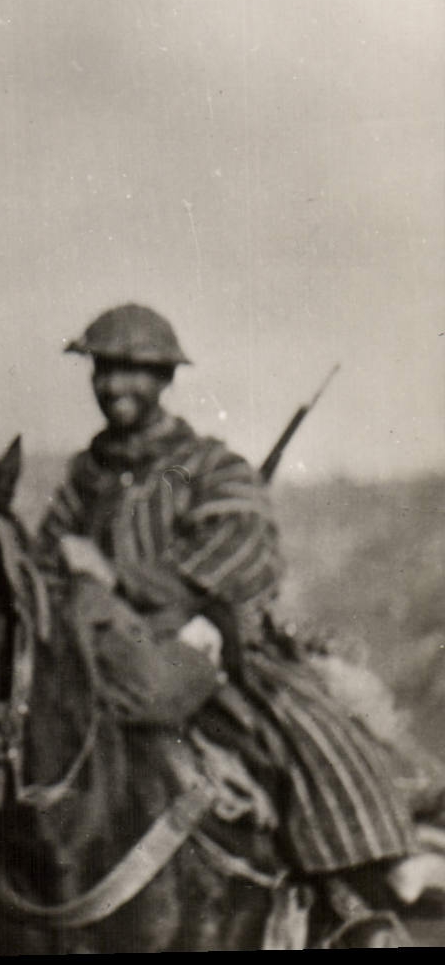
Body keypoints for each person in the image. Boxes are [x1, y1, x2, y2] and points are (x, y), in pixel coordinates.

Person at [36, 302, 445, 923]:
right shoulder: (83, 478)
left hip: (207, 643)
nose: (116, 385)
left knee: (304, 731)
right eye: (104, 369)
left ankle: (361, 879)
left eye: (134, 370)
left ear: (165, 379)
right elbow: (51, 556)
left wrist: (115, 575)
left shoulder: (205, 465)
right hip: (99, 651)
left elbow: (237, 555)